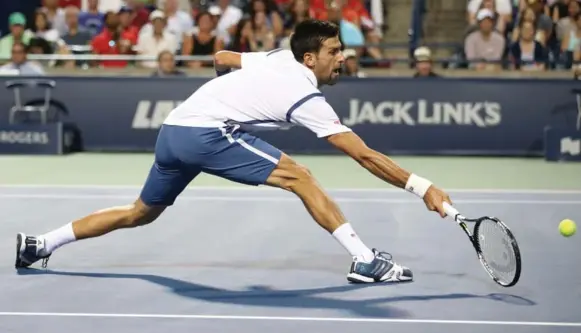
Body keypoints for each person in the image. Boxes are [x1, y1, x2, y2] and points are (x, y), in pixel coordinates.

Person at [15, 20, 452, 284]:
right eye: (334, 52)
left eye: (342, 51)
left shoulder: (278, 58)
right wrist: (422, 187)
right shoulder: (305, 97)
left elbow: (224, 56)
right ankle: (365, 260)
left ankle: (40, 243)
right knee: (300, 176)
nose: (343, 59)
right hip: (206, 134)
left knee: (140, 212)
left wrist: (227, 96)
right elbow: (364, 155)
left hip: (175, 128)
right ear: (309, 59)